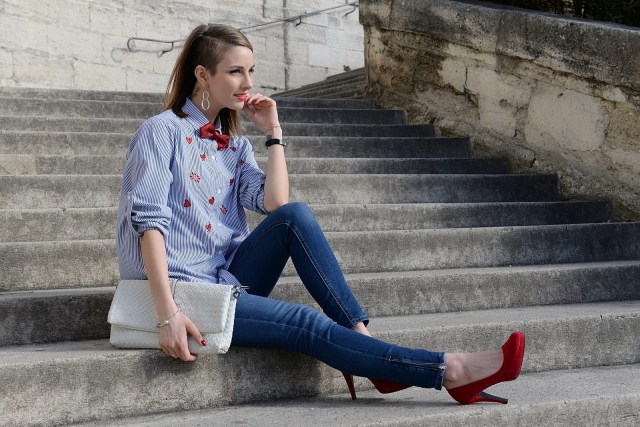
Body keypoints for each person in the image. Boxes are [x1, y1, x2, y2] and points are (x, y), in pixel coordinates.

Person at [116, 23, 525, 404]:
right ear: (203, 75)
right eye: (236, 71)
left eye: (251, 71)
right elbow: (149, 225)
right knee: (302, 322)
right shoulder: (161, 131)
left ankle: (362, 340)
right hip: (183, 290)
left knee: (296, 216)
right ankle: (449, 370)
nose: (248, 83)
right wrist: (167, 315)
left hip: (227, 278)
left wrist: (273, 133)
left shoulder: (234, 146)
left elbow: (276, 203)